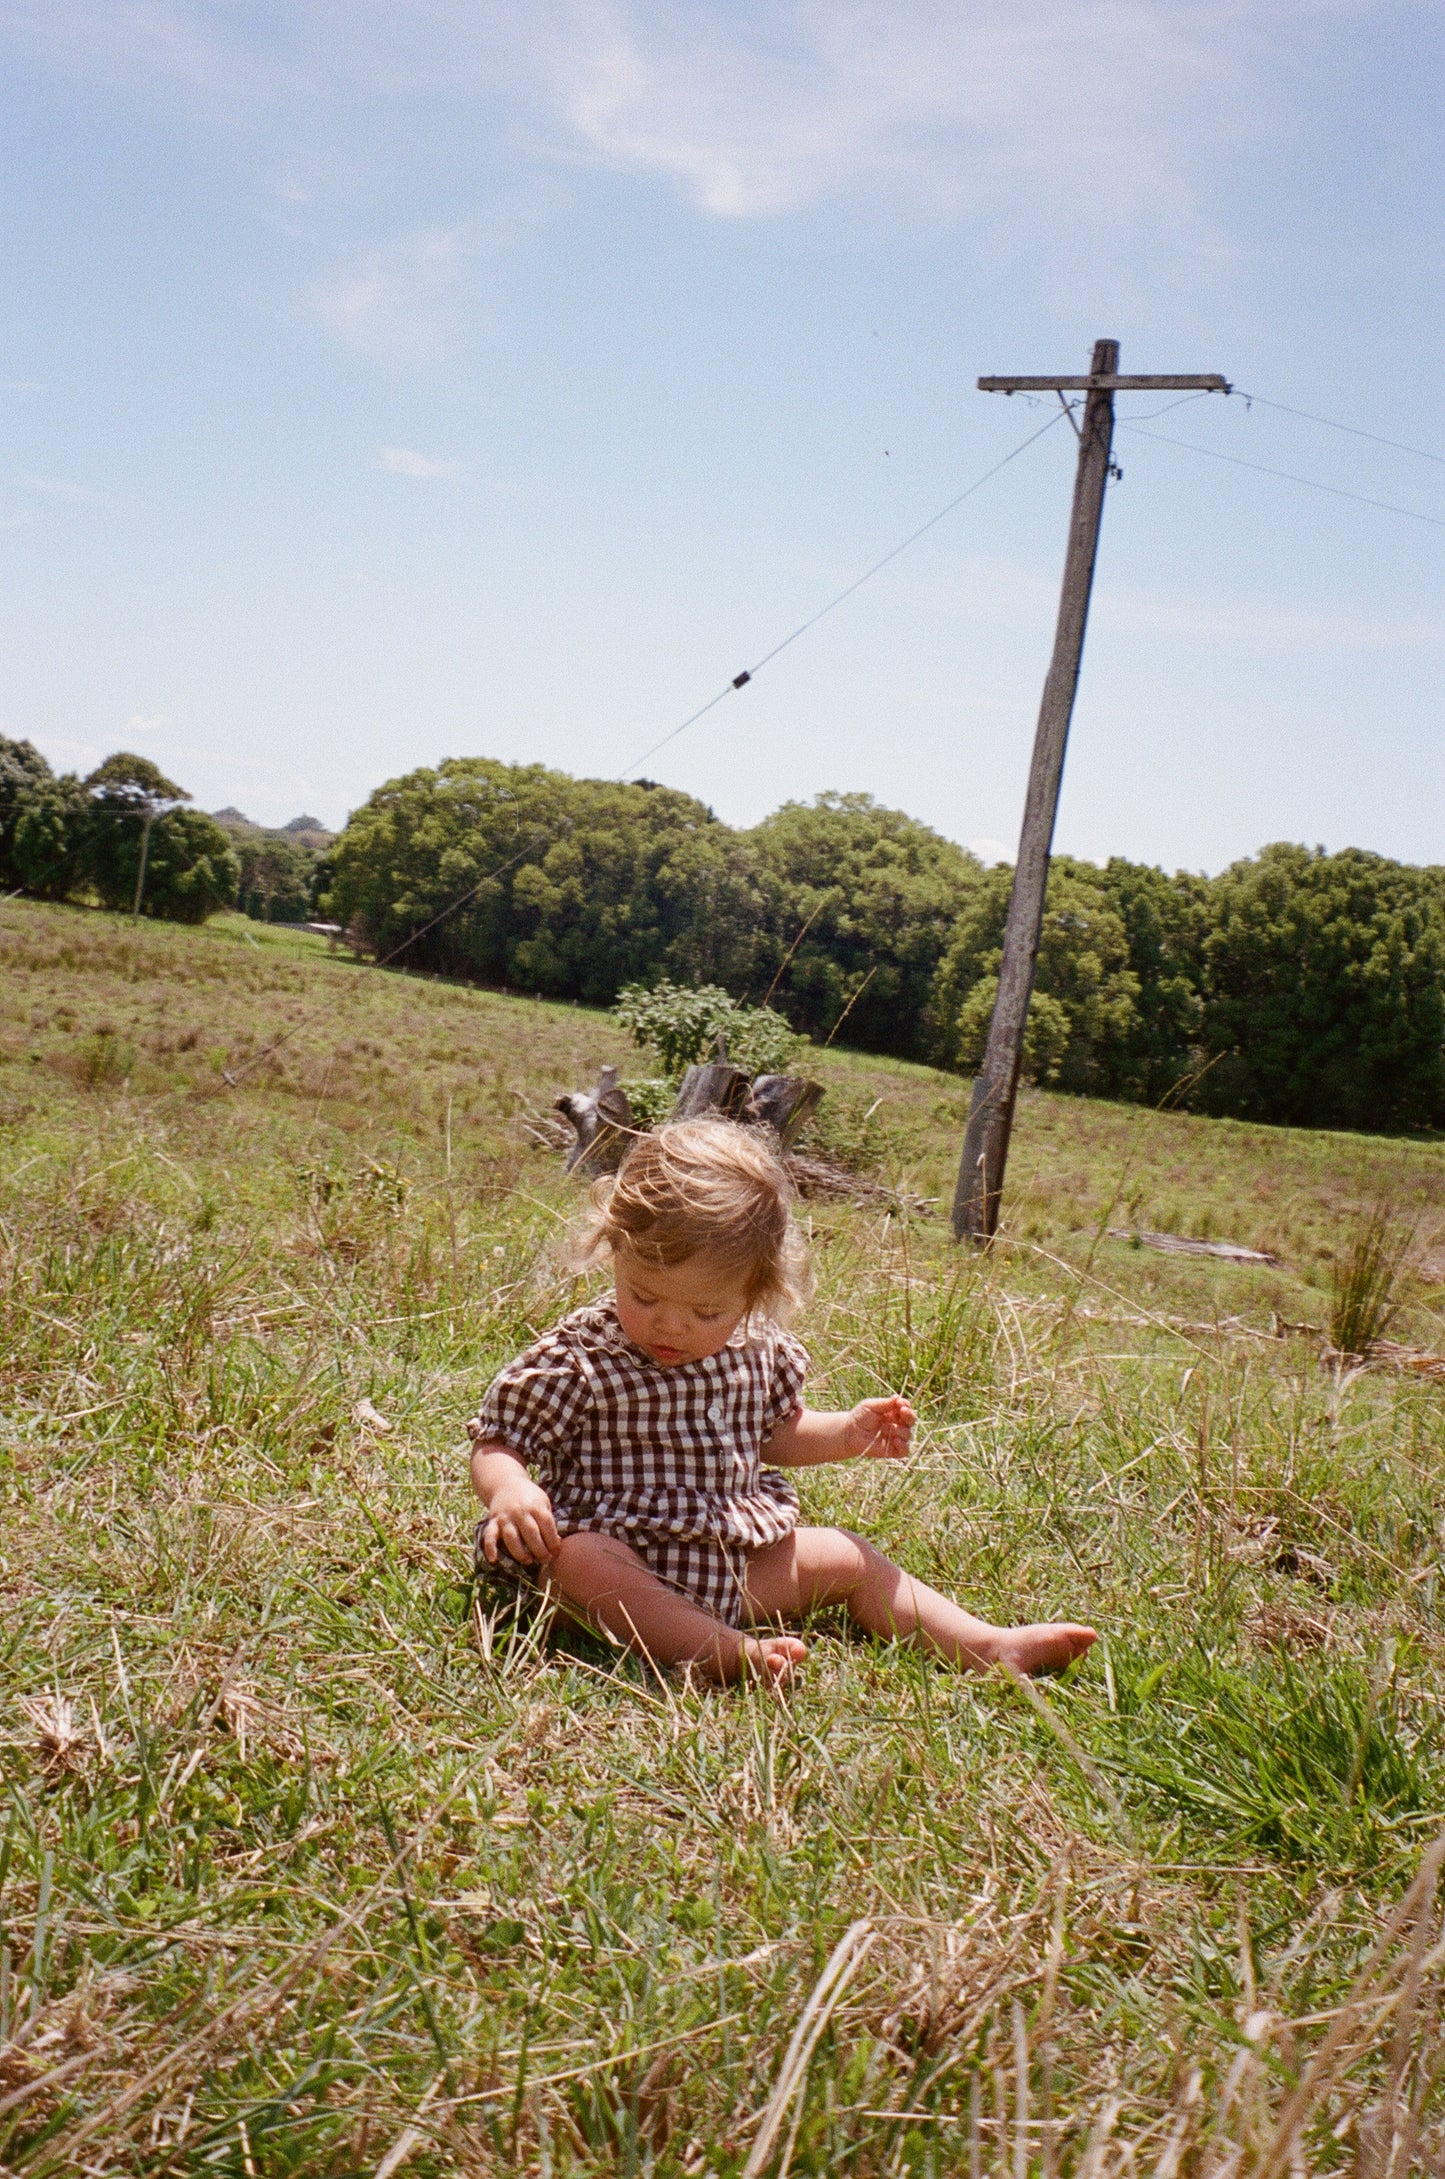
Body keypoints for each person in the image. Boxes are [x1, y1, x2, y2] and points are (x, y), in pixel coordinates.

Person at [468, 1119, 1096, 1687]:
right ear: (614, 1250)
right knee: (578, 1562)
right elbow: (500, 1440)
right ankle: (722, 1652)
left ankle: (984, 1645)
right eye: (645, 1295)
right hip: (618, 1559)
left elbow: (777, 1435)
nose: (671, 1326)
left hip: (734, 1563)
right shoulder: (580, 1356)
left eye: (707, 1311)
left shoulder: (758, 1353)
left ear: (757, 1289)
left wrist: (846, 1434)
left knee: (849, 1556)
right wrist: (511, 1491)